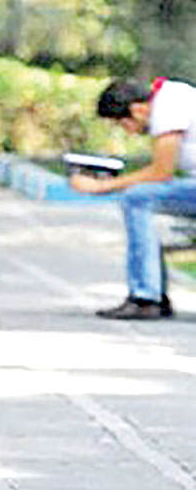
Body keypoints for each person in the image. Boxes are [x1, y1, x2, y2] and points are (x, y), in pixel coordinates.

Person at [70, 77, 196, 319]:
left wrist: (100, 187)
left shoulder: (168, 107)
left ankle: (146, 297)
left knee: (136, 198)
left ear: (138, 110)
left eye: (122, 124)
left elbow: (161, 173)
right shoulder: (171, 99)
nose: (127, 132)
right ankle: (152, 294)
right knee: (138, 196)